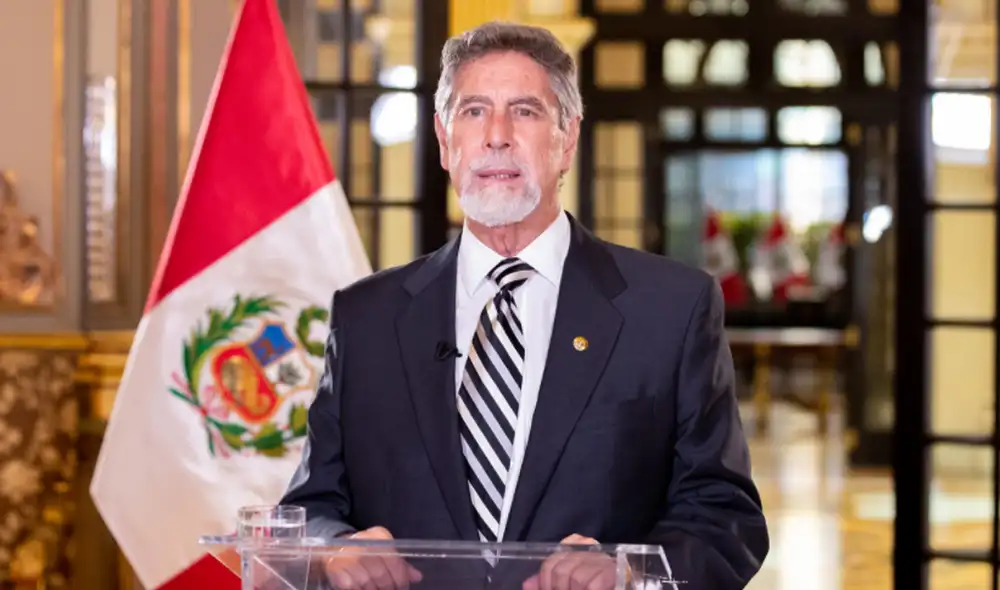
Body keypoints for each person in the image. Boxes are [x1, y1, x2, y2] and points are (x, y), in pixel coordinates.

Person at [280, 21, 768, 590]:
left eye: (526, 111)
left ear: (567, 139)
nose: (496, 135)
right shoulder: (366, 317)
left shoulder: (671, 309)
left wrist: (627, 571)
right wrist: (334, 550)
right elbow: (310, 510)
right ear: (444, 141)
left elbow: (724, 519)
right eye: (473, 111)